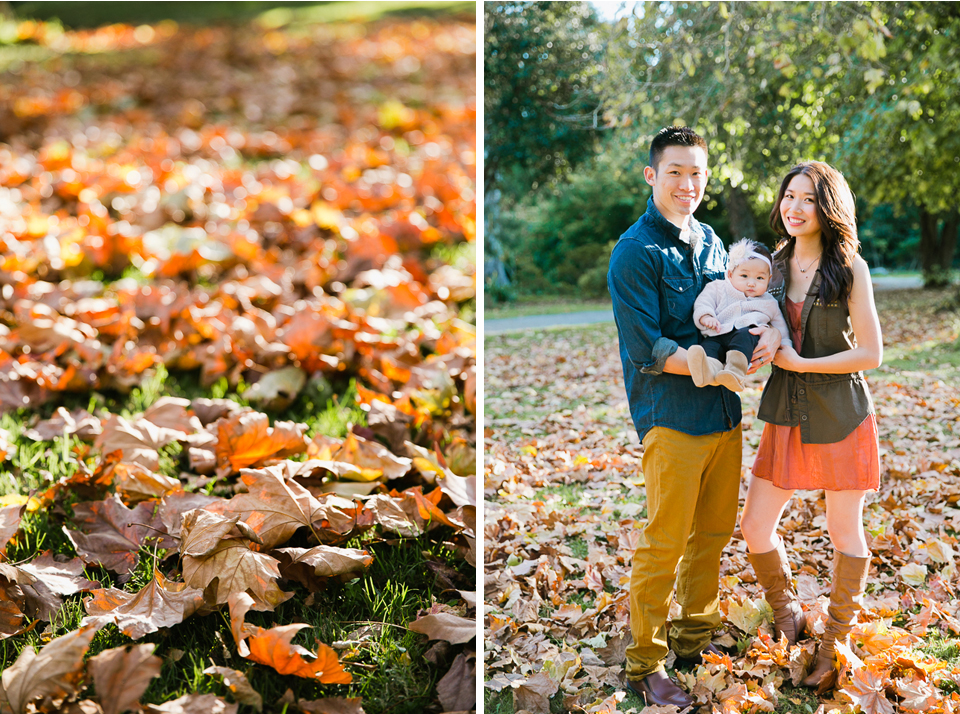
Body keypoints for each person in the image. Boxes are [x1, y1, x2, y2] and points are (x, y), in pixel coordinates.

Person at [607, 126, 781, 710]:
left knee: (711, 535)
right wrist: (703, 367)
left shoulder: (711, 242)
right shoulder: (635, 251)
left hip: (724, 414)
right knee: (666, 541)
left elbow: (739, 309)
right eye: (675, 171)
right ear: (653, 175)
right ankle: (645, 662)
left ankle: (693, 638)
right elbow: (646, 349)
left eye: (697, 174)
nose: (687, 184)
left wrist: (753, 348)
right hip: (672, 415)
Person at [738, 161, 882, 690]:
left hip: (840, 412)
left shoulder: (849, 268)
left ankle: (834, 639)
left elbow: (872, 352)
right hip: (785, 412)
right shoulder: (769, 266)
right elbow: (749, 320)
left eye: (809, 199)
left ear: (828, 207)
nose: (795, 208)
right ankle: (788, 617)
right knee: (755, 526)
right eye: (789, 197)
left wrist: (802, 363)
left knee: (845, 529)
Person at [688, 239, 792, 392]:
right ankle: (708, 370)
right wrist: (706, 317)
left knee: (746, 335)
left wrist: (786, 347)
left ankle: (735, 373)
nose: (751, 283)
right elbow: (704, 303)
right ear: (730, 274)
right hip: (718, 331)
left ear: (769, 280)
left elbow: (780, 326)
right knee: (710, 347)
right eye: (744, 276)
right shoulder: (718, 287)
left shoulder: (769, 302)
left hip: (746, 338)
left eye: (759, 278)